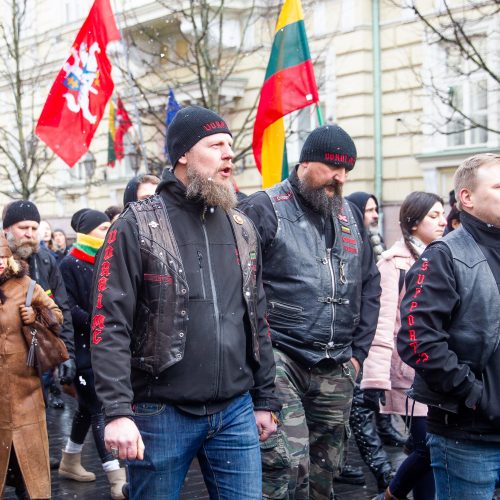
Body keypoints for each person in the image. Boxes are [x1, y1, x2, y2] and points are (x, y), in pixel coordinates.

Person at [90, 105, 279, 499]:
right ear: (182, 154)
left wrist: (265, 398)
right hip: (160, 413)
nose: (229, 153)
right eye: (215, 144)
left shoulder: (242, 226)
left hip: (235, 411)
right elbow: (109, 323)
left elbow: (256, 317)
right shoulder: (136, 224)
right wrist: (117, 411)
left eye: (230, 144)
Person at [240, 125, 381, 499]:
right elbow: (240, 286)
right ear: (304, 162)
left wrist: (358, 356)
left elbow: (369, 285)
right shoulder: (263, 207)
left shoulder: (350, 213)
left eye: (347, 169)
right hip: (281, 354)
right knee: (286, 461)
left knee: (326, 466)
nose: (341, 177)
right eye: (333, 166)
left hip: (337, 362)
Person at [397, 153, 500, 499]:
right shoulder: (443, 254)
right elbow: (417, 340)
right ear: (467, 198)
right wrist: (475, 396)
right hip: (468, 435)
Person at [361, 191, 446, 500]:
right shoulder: (392, 264)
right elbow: (382, 323)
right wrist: (375, 378)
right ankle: (391, 494)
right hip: (406, 372)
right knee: (427, 447)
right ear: (413, 223)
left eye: (442, 215)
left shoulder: (442, 255)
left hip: (435, 370)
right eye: (433, 216)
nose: (441, 221)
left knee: (428, 449)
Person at [59, 209, 127, 499]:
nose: (107, 232)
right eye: (102, 228)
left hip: (105, 345)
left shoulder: (110, 259)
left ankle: (69, 461)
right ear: (86, 232)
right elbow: (68, 307)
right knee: (99, 408)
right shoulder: (70, 263)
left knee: (87, 408)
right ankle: (116, 478)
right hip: (85, 349)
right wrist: (100, 319)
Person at [0, 232, 63, 500]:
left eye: (2, 257)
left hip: (25, 389)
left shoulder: (26, 285)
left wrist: (37, 314)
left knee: (31, 466)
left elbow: (58, 316)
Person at [2, 200, 76, 385]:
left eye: (34, 228)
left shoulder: (46, 260)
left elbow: (62, 308)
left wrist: (67, 353)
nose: (29, 234)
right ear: (7, 229)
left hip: (38, 359)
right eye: (23, 227)